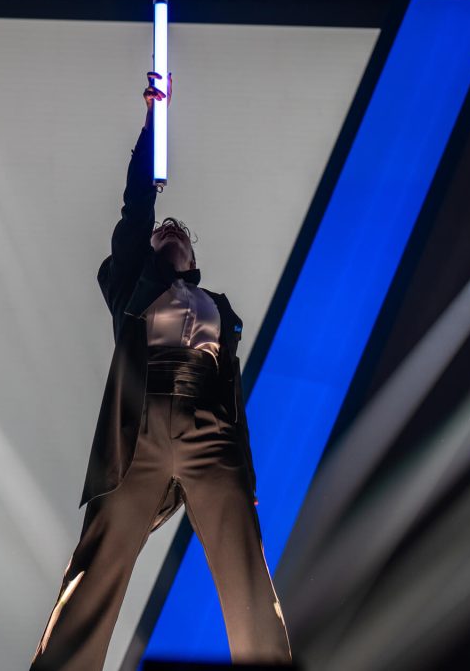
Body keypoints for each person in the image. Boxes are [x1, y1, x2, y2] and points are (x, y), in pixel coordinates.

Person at [29, 72, 292, 670]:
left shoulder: (217, 310)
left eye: (182, 233)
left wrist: (244, 479)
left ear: (195, 259)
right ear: (148, 248)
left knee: (245, 565)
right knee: (97, 564)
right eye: (163, 230)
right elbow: (137, 204)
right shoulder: (131, 284)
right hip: (140, 431)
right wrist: (154, 120)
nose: (171, 230)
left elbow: (234, 399)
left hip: (210, 432)